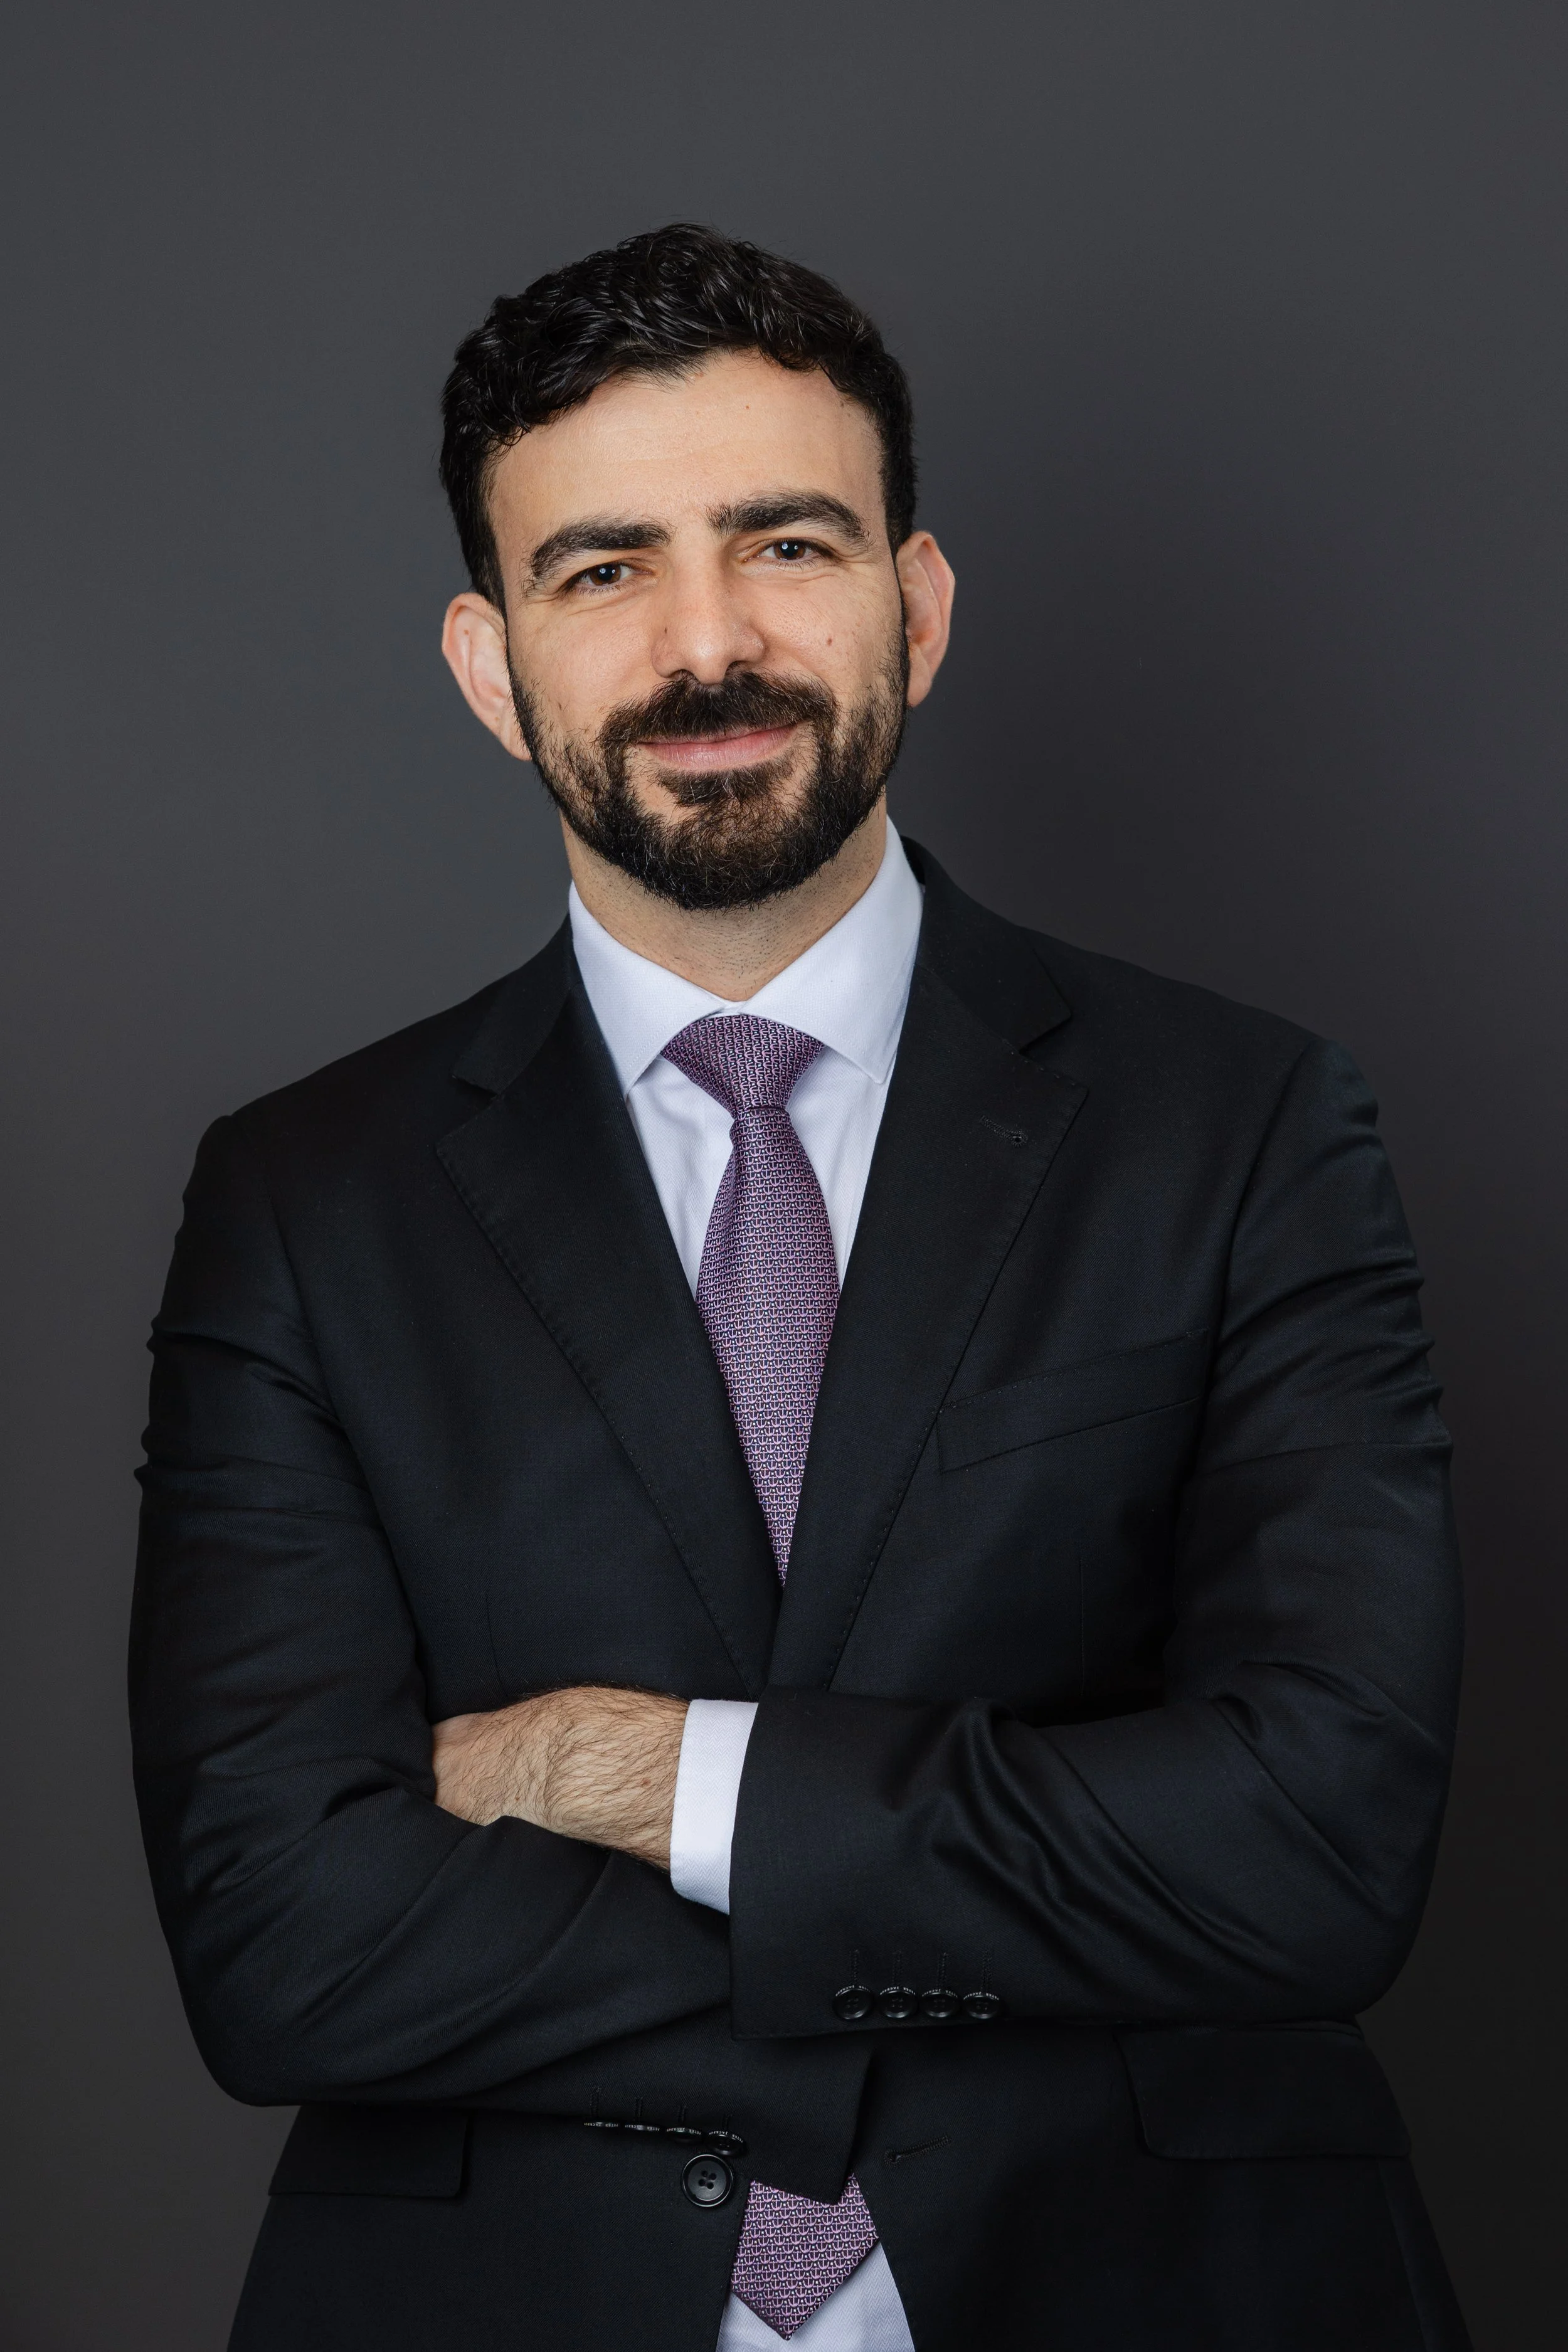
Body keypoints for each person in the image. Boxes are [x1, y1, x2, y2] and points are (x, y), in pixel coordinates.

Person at [131, 223, 1470, 2351]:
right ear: (492, 669)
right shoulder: (301, 1199)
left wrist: (655, 1777)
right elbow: (282, 1934)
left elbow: (1313, 1845)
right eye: (603, 570)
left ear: (914, 611)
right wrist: (1044, 1900)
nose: (709, 644)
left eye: (787, 544)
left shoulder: (1238, 1126)